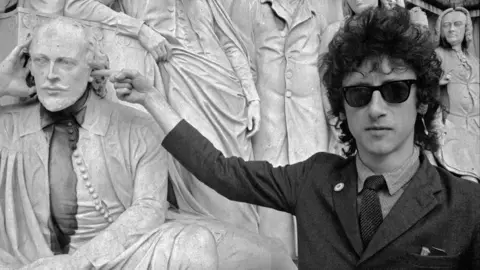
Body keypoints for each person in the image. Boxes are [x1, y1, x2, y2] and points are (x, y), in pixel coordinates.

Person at [109, 7, 480, 269]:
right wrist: (151, 99)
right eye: (359, 94)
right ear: (342, 107)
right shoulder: (315, 178)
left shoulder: (467, 205)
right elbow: (221, 171)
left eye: (396, 90)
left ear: (422, 100)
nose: (377, 108)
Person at [0, 18, 295, 270]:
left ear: (91, 70)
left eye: (64, 62)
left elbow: (149, 211)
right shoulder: (8, 127)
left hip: (123, 255)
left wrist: (77, 264)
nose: (51, 75)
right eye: (42, 61)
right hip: (38, 262)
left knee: (201, 246)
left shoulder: (137, 127)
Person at [59, 0, 263, 233]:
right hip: (181, 84)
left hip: (229, 95)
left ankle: (249, 249)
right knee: (206, 167)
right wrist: (140, 29)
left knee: (241, 177)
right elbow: (76, 6)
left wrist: (251, 95)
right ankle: (223, 248)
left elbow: (229, 43)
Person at [221, 0, 340, 257]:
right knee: (269, 178)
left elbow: (324, 69)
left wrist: (331, 117)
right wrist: (250, 97)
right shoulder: (252, 9)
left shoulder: (315, 17)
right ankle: (276, 255)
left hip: (309, 114)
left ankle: (316, 250)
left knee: (314, 176)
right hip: (268, 113)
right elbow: (236, 50)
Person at [433, 7, 479, 183]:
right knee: (469, 181)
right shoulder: (435, 56)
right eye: (446, 25)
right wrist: (435, 84)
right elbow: (422, 90)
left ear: (466, 28)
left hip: (476, 128)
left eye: (457, 24)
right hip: (452, 130)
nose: (451, 29)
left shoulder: (474, 61)